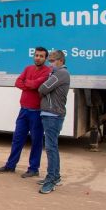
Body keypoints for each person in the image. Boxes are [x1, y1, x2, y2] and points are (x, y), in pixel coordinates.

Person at [0, 47, 52, 178]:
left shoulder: (48, 72)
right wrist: (30, 84)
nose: (38, 57)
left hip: (37, 112)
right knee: (17, 139)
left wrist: (29, 84)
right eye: (36, 55)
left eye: (41, 56)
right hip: (24, 110)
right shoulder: (28, 68)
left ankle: (33, 169)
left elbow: (34, 84)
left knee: (36, 141)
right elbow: (18, 82)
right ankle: (10, 165)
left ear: (46, 58)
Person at [37, 50, 70, 194]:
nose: (50, 64)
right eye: (49, 61)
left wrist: (44, 88)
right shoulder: (56, 74)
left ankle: (51, 180)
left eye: (52, 61)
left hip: (53, 115)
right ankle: (55, 176)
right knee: (52, 147)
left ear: (61, 61)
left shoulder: (61, 73)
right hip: (51, 114)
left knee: (51, 148)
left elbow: (42, 88)